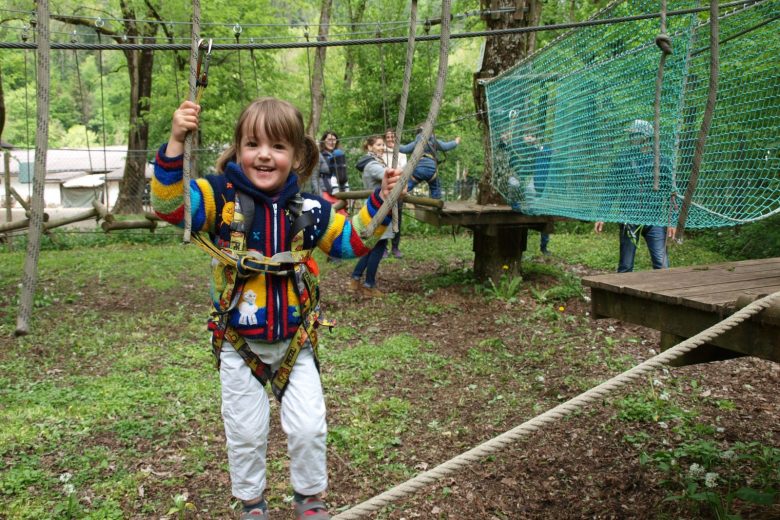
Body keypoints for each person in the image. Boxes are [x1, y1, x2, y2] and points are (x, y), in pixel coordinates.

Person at [152, 97, 401, 520]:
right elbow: (169, 206)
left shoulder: (310, 208)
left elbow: (352, 243)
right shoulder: (217, 198)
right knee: (246, 433)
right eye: (253, 144)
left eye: (278, 146)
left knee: (308, 428)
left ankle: (309, 500)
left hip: (295, 344)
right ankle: (252, 505)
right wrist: (176, 141)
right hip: (239, 345)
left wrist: (381, 199)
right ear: (238, 149)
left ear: (297, 155)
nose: (264, 154)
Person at [594, 119, 677, 273]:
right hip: (629, 219)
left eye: (635, 135)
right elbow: (610, 189)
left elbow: (672, 193)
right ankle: (620, 297)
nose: (631, 139)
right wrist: (602, 215)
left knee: (662, 266)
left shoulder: (662, 161)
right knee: (626, 266)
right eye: (631, 136)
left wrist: (673, 221)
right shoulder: (623, 160)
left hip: (655, 220)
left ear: (646, 137)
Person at [350, 136, 394, 297]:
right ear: (369, 147)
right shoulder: (373, 165)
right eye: (378, 145)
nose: (382, 147)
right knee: (378, 248)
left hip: (376, 209)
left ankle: (355, 279)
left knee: (371, 248)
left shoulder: (374, 163)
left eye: (383, 144)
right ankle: (369, 285)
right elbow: (391, 176)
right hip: (379, 211)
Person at [398, 127, 460, 199]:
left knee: (407, 185)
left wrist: (394, 145)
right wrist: (456, 142)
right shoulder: (434, 141)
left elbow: (404, 149)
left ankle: (398, 194)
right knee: (435, 188)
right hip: (431, 171)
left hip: (418, 170)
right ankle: (437, 203)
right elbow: (446, 146)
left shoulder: (416, 143)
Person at [382, 128, 407, 258]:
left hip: (397, 191)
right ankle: (384, 248)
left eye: (393, 137)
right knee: (384, 219)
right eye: (388, 137)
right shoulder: (381, 153)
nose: (391, 139)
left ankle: (395, 247)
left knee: (397, 220)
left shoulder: (402, 153)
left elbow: (403, 170)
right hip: (385, 192)